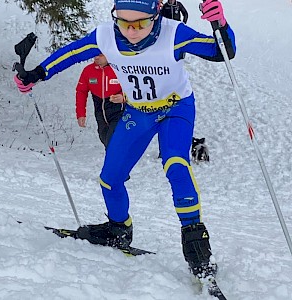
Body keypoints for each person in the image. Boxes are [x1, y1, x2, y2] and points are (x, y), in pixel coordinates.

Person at [14, 0, 236, 278]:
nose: (132, 31)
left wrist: (221, 25)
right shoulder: (106, 36)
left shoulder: (174, 33)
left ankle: (196, 244)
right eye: (124, 22)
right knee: (110, 177)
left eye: (141, 23)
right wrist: (36, 74)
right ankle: (119, 229)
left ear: (155, 16)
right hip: (138, 111)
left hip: (175, 108)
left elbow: (222, 52)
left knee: (176, 164)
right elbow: (71, 54)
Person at [76, 54, 125, 148]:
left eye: (100, 55)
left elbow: (133, 87)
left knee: (113, 139)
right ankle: (115, 158)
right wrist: (81, 114)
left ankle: (113, 160)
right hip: (100, 109)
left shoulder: (120, 68)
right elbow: (81, 92)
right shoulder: (88, 70)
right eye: (94, 55)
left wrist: (123, 97)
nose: (96, 58)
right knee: (104, 137)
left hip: (118, 109)